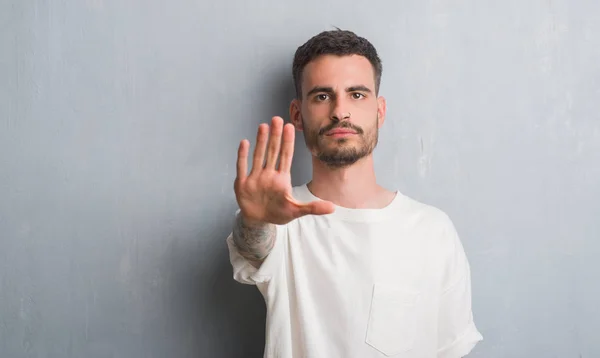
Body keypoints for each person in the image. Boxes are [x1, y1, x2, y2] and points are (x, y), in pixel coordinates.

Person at [225, 29, 483, 358]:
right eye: (322, 96)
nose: (340, 111)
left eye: (357, 95)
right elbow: (253, 247)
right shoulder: (279, 218)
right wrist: (255, 219)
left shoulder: (433, 231)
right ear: (297, 114)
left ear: (380, 110)